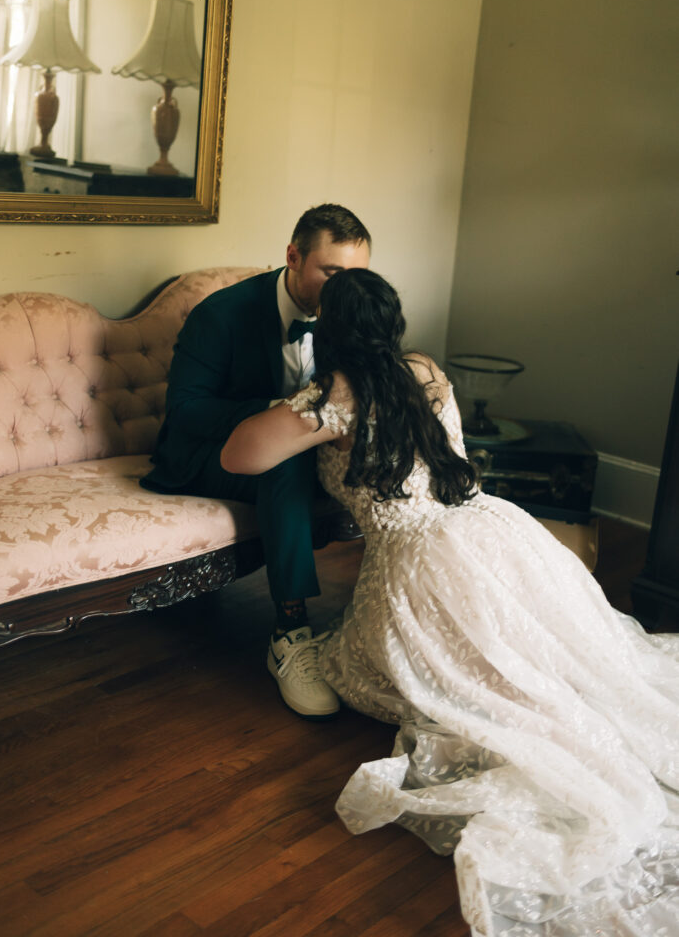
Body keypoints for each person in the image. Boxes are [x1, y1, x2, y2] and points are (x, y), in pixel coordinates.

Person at [220, 268, 679, 937]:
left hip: (420, 559)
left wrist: (299, 400)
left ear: (332, 330)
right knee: (552, 656)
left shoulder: (332, 397)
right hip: (493, 526)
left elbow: (240, 457)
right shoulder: (424, 370)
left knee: (418, 680)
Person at [141, 203, 371, 718]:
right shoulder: (221, 314)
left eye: (356, 277)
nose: (345, 290)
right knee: (282, 461)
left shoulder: (349, 315)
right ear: (293, 257)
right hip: (201, 454)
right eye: (332, 274)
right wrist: (278, 415)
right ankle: (290, 631)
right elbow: (186, 412)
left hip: (300, 450)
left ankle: (381, 616)